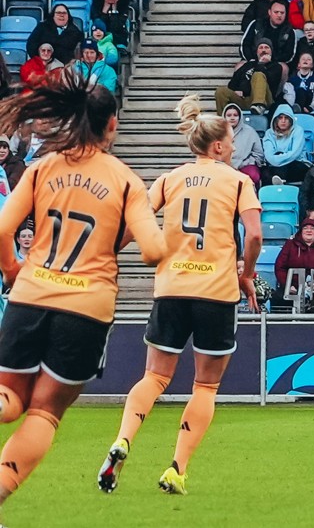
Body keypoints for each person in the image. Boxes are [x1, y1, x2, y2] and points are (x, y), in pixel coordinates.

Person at [0, 71, 166, 506]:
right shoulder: (125, 179)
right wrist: (123, 239)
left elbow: (3, 227)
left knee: (11, 397)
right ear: (112, 124)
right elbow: (152, 250)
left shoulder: (42, 168)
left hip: (30, 295)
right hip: (86, 309)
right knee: (44, 411)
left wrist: (13, 269)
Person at [97, 94, 264, 495]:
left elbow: (131, 225)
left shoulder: (169, 179)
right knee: (204, 387)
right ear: (219, 146)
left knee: (154, 376)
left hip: (172, 288)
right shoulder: (239, 181)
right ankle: (176, 468)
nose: (236, 145)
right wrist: (247, 273)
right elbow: (255, 234)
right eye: (231, 139)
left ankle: (123, 440)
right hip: (216, 292)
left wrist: (107, 255)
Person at [215, 39, 283, 115]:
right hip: (245, 100)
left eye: (266, 47)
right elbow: (232, 84)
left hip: (265, 100)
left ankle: (258, 105)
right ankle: (222, 120)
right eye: (260, 48)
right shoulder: (247, 65)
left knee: (258, 75)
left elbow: (271, 82)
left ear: (271, 51)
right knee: (221, 91)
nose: (263, 50)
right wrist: (237, 90)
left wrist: (261, 64)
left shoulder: (276, 67)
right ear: (257, 52)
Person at [262, 105, 309, 186]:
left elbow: (294, 154)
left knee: (283, 165)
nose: (283, 121)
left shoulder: (298, 131)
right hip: (275, 165)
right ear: (275, 119)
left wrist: (278, 159)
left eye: (286, 118)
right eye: (280, 118)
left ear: (291, 120)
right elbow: (269, 156)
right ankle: (280, 183)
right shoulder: (269, 133)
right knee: (264, 172)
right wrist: (278, 160)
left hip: (296, 163)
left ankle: (280, 183)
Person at [241, 0, 297, 64]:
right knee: (240, 65)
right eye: (276, 12)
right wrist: (251, 59)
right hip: (254, 60)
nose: (279, 15)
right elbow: (245, 45)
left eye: (282, 13)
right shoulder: (256, 24)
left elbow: (289, 55)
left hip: (277, 63)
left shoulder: (290, 30)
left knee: (284, 68)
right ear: (269, 12)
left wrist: (271, 59)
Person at [222, 103, 264, 187]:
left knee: (253, 175)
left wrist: (244, 163)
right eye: (229, 115)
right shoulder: (218, 132)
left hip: (244, 164)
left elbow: (258, 154)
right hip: (223, 165)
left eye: (235, 115)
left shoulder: (250, 132)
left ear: (240, 117)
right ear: (224, 117)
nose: (232, 118)